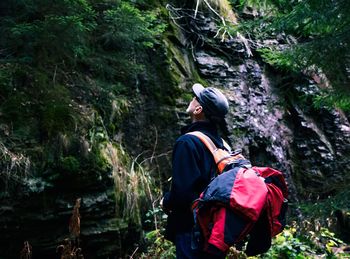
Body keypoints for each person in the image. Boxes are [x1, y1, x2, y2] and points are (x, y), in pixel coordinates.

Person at [162, 83, 231, 259]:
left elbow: (183, 194)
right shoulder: (222, 145)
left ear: (199, 109)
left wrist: (166, 201)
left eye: (195, 98)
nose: (192, 99)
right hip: (215, 230)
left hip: (191, 231)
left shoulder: (188, 143)